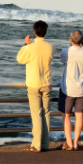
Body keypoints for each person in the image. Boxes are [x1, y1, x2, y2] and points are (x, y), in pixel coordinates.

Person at [16, 20, 54, 152]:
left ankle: (36, 144)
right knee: (46, 114)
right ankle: (45, 144)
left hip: (33, 84)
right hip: (47, 83)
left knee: (37, 114)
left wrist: (26, 44)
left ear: (34, 32)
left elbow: (20, 59)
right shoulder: (50, 46)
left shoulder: (30, 48)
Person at [58, 29, 83, 150]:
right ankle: (76, 142)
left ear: (70, 40)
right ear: (82, 40)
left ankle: (69, 142)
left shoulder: (65, 51)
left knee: (66, 115)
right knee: (79, 115)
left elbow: (63, 61)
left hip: (67, 88)